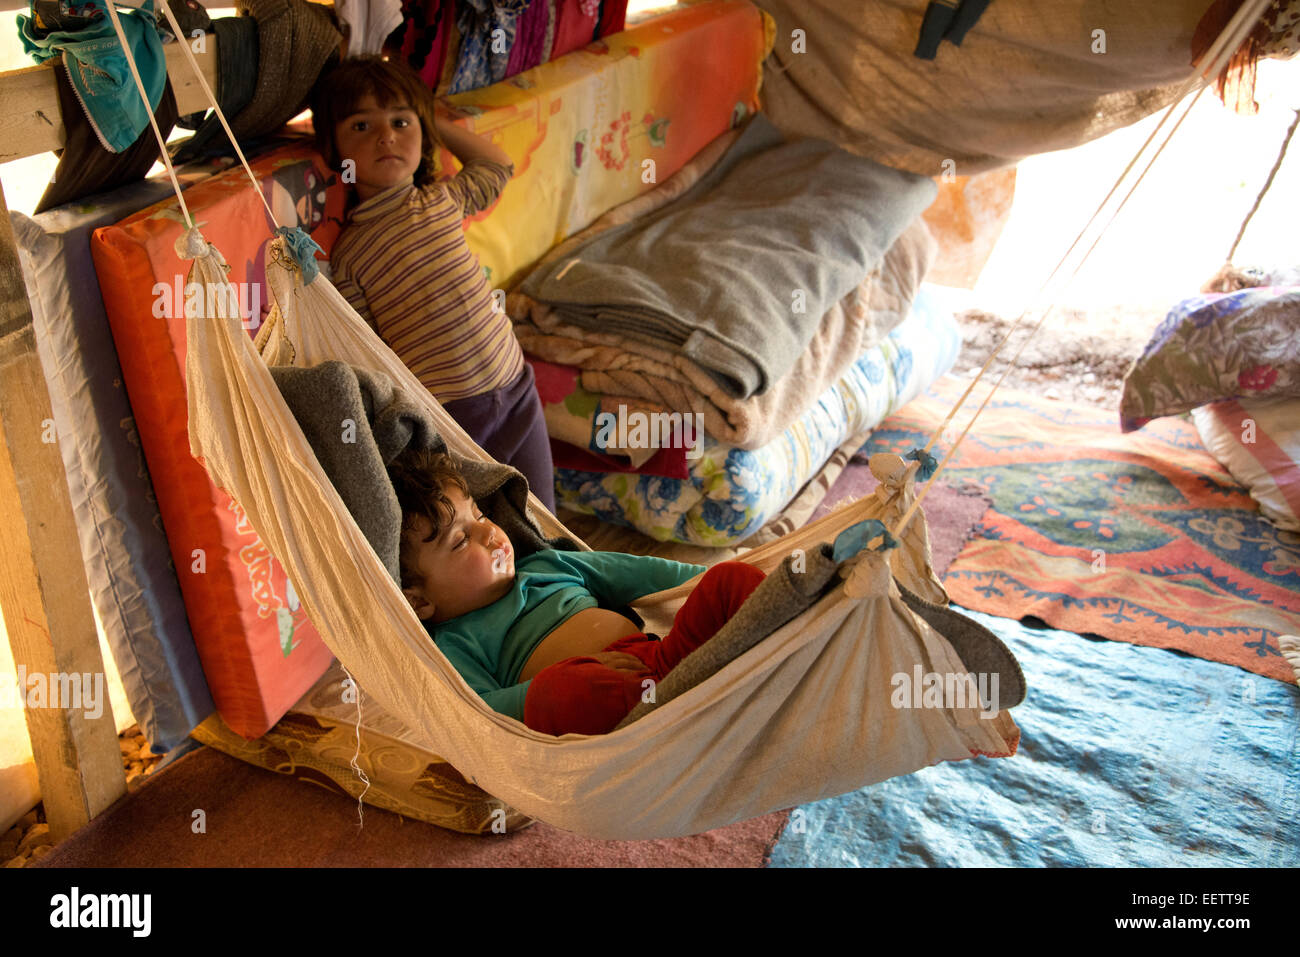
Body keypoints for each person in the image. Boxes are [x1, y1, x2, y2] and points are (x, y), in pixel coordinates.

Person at [311, 55, 556, 513]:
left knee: (548, 526)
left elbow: (497, 164)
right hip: (451, 420)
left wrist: (434, 122)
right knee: (488, 534)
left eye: (401, 121)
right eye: (361, 127)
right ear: (333, 150)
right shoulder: (349, 255)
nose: (387, 136)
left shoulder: (442, 198)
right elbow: (370, 354)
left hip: (516, 385)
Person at [387, 448, 768, 736]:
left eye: (481, 516)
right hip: (597, 704)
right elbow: (477, 712)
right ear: (419, 600)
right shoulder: (454, 643)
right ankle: (688, 711)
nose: (489, 532)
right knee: (559, 693)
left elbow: (642, 574)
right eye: (460, 540)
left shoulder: (548, 564)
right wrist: (549, 685)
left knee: (729, 579)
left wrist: (705, 581)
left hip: (661, 661)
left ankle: (786, 616)